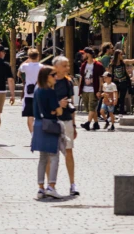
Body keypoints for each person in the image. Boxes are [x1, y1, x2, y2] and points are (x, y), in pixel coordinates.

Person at [32, 65, 69, 200]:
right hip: (50, 125)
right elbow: (57, 111)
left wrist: (55, 108)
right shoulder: (49, 91)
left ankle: (40, 189)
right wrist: (60, 105)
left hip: (38, 124)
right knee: (54, 157)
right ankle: (51, 187)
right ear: (47, 77)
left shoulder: (37, 89)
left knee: (42, 158)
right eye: (53, 75)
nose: (56, 77)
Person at [52, 56, 78, 196]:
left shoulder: (68, 82)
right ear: (56, 67)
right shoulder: (49, 81)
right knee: (51, 153)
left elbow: (71, 102)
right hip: (52, 121)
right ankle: (51, 185)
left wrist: (74, 125)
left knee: (69, 152)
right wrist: (57, 104)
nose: (68, 68)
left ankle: (72, 184)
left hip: (67, 119)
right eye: (65, 65)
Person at [78, 47, 104, 131]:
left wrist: (99, 90)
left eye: (84, 53)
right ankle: (96, 123)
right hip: (85, 89)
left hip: (94, 89)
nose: (82, 55)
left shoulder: (98, 65)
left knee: (92, 106)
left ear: (88, 54)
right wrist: (80, 89)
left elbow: (100, 78)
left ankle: (88, 123)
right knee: (89, 108)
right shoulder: (83, 65)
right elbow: (82, 77)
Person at [18, 48, 43, 134]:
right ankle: (39, 133)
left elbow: (19, 73)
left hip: (28, 94)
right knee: (39, 115)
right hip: (39, 93)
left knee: (30, 116)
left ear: (29, 56)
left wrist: (26, 60)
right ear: (38, 56)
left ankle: (32, 134)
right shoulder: (42, 67)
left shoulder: (25, 66)